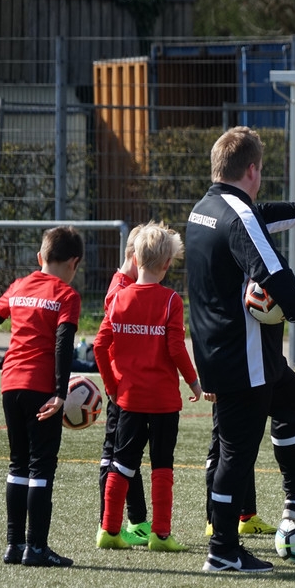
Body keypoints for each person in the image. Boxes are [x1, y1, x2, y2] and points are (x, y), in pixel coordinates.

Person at [186, 126, 295, 574]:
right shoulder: (238, 215)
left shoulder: (205, 209)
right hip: (242, 356)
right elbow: (272, 271)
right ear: (254, 170)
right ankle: (222, 550)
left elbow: (260, 217)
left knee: (288, 392)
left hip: (214, 349)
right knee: (236, 454)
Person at [93, 221, 202, 553]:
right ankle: (161, 535)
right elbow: (176, 349)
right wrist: (194, 382)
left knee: (122, 462)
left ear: (135, 259)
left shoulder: (118, 299)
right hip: (164, 400)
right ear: (167, 264)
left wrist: (112, 386)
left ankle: (109, 530)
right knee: (162, 464)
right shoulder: (171, 301)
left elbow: (99, 345)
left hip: (128, 398)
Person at [0, 225, 83, 567]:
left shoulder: (19, 285)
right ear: (74, 263)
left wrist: (18, 299)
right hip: (40, 388)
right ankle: (36, 548)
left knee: (18, 464)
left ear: (41, 257)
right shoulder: (66, 295)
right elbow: (63, 345)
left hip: (10, 384)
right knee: (41, 466)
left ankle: (14, 545)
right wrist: (60, 393)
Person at [96, 223, 152, 547]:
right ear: (135, 256)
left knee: (126, 456)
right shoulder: (121, 289)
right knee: (115, 455)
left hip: (126, 383)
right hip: (122, 385)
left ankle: (136, 521)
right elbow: (106, 343)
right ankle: (108, 523)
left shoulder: (125, 283)